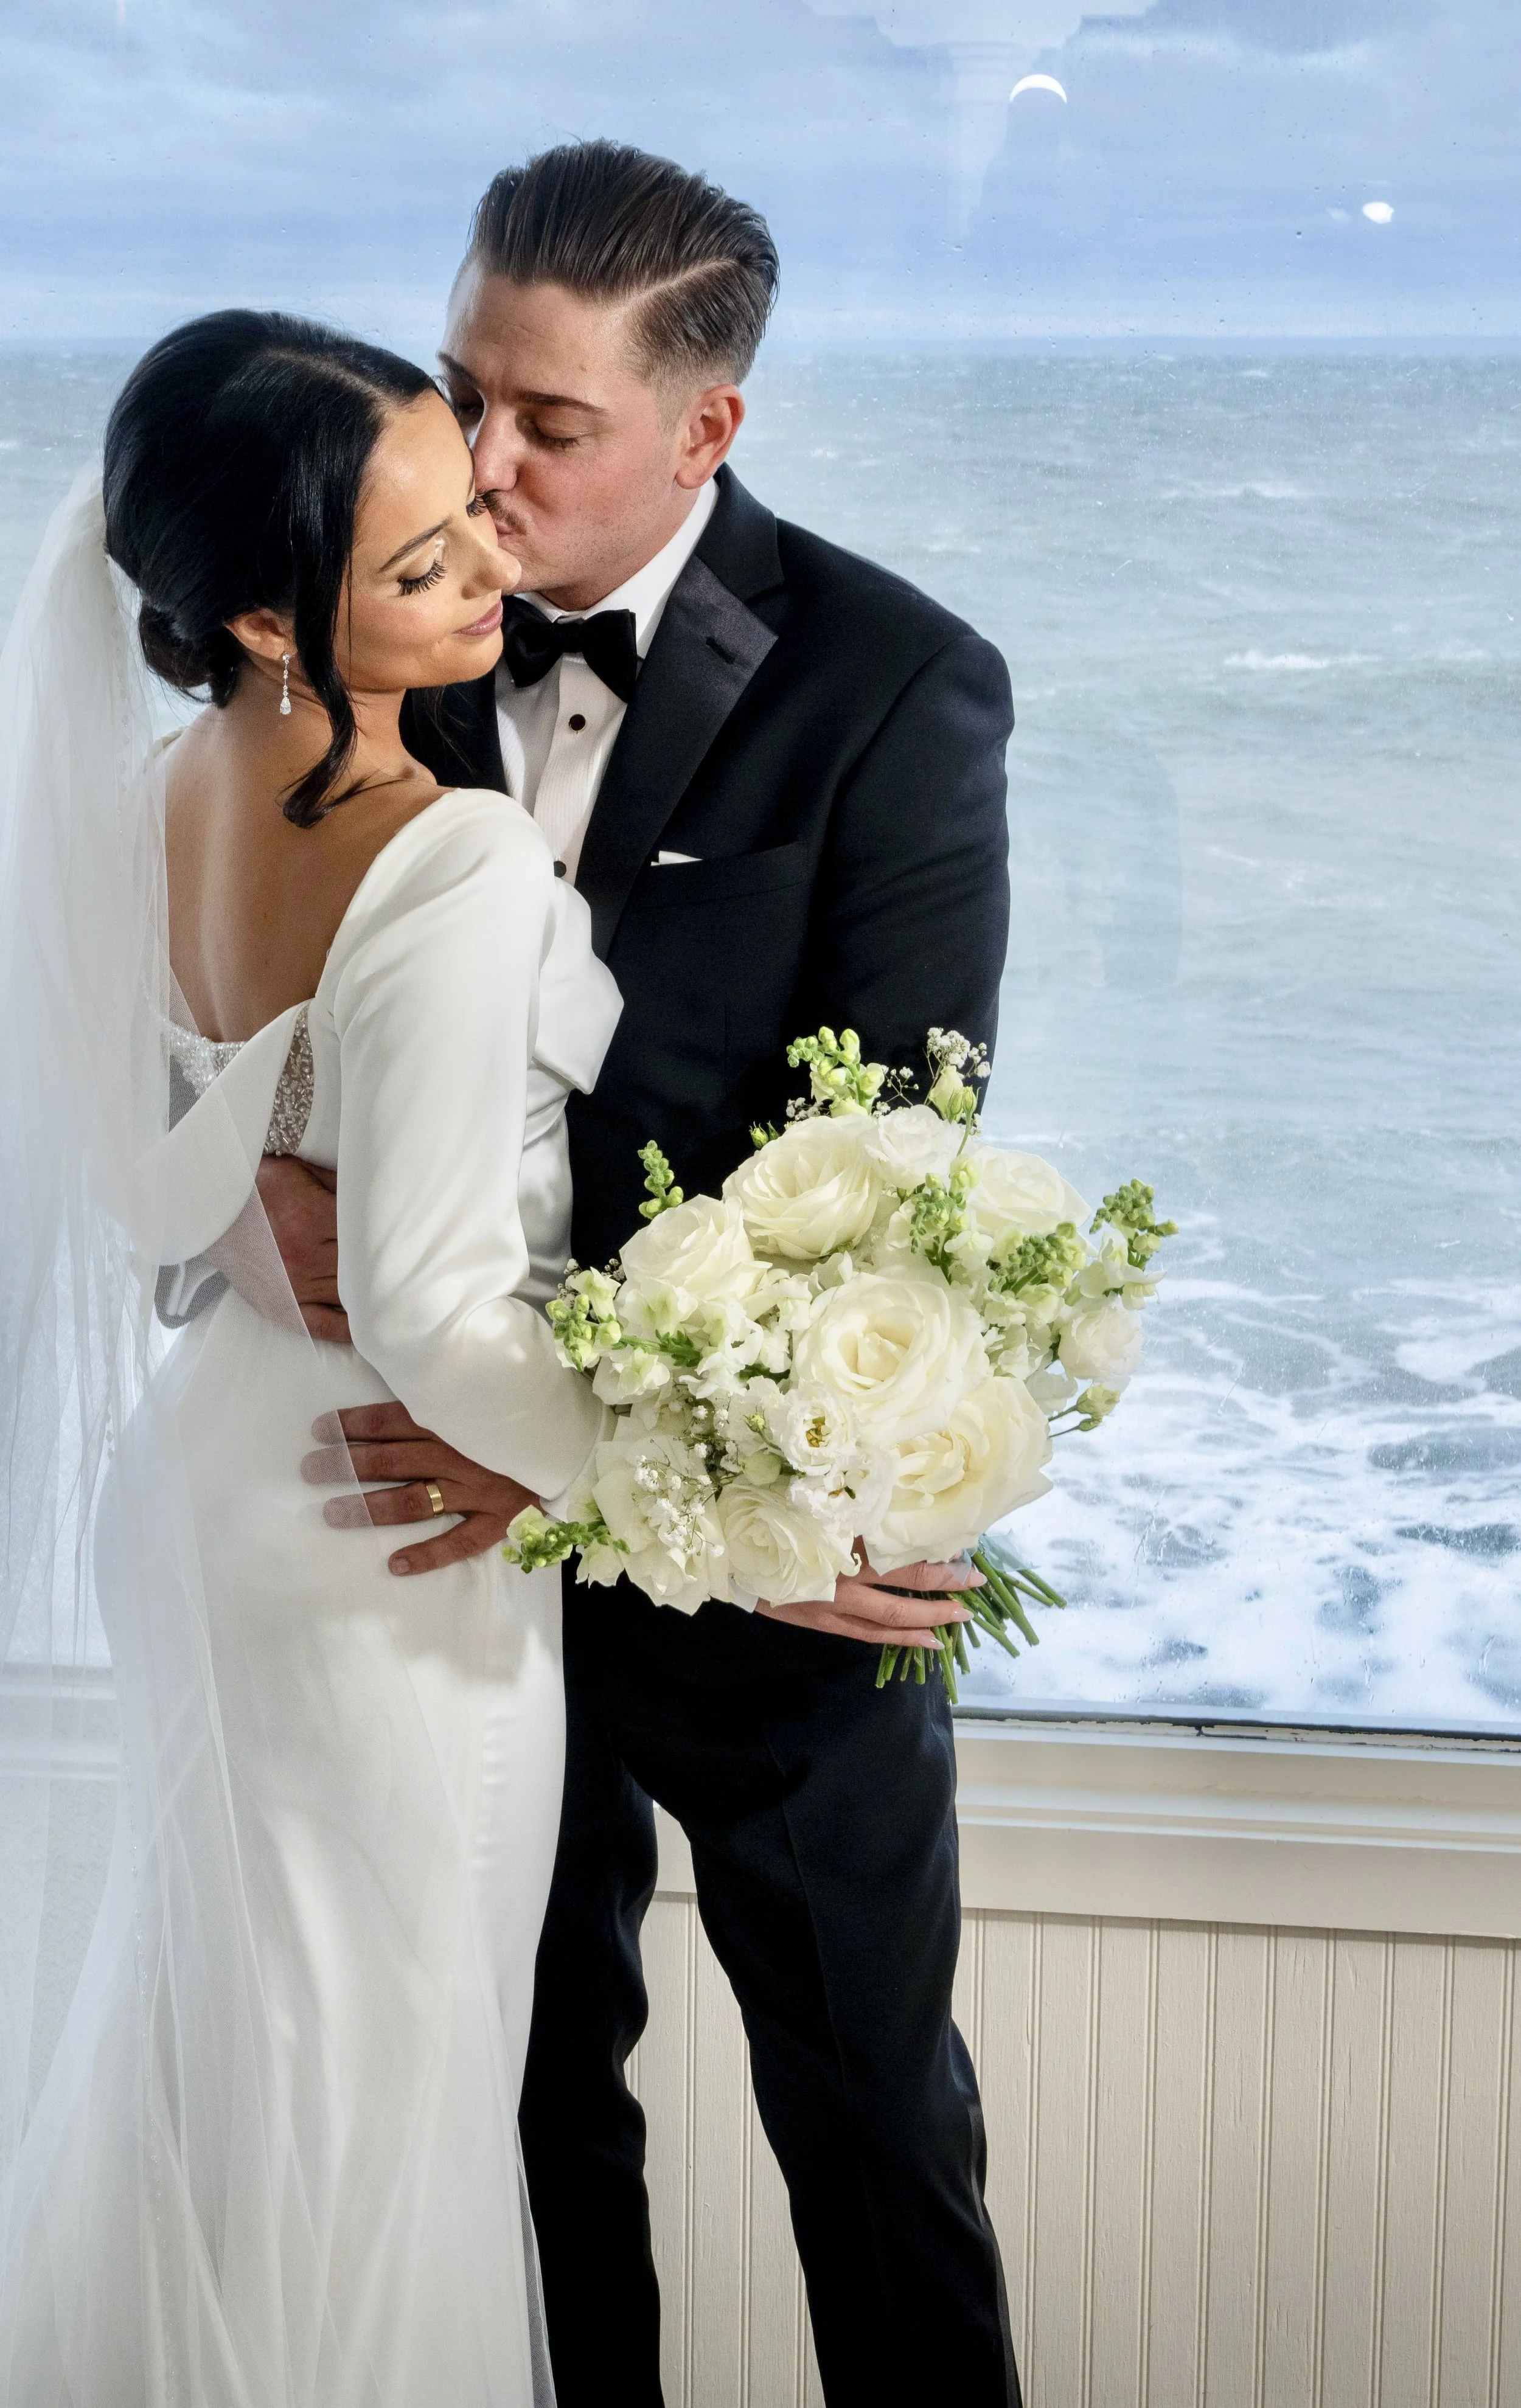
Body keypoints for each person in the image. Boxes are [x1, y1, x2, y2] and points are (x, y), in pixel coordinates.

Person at [272, 144, 1020, 2406]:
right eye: (458, 388)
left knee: (875, 2124)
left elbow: (880, 1171)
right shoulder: (356, 631)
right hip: (433, 1554)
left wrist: (611, 1477)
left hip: (765, 1568)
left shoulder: (900, 683)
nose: (480, 472)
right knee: (515, 2112)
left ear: (709, 427)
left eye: (553, 423)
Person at [0, 310, 622, 2403]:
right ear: (268, 614)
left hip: (198, 1503)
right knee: (380, 2112)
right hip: (387, 1533)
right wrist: (656, 1467)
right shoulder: (443, 858)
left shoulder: (138, 792)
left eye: (471, 516)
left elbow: (116, 1141)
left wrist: (257, 1220)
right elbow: (440, 1304)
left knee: (224, 2073)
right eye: (424, 563)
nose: (492, 576)